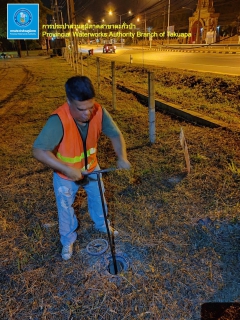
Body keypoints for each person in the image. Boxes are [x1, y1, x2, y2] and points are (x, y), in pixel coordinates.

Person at [33, 76, 131, 260]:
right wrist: (66, 168)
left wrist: (122, 157)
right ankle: (67, 239)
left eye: (90, 107)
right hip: (65, 175)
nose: (87, 114)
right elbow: (39, 150)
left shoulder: (99, 112)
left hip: (93, 168)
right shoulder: (58, 120)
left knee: (99, 198)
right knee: (65, 207)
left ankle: (102, 224)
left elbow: (116, 135)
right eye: (81, 109)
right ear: (68, 101)